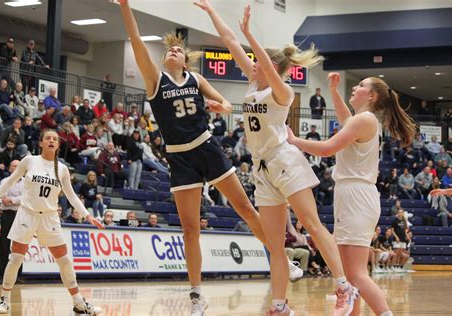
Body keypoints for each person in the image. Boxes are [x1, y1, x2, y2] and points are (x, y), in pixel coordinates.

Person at [196, 2, 358, 315]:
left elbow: (267, 65)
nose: (252, 63)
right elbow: (231, 42)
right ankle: (280, 306)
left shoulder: (283, 92)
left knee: (311, 223)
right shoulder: (254, 82)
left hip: (285, 161)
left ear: (271, 65)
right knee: (274, 243)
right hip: (262, 169)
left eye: (258, 60)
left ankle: (343, 286)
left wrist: (250, 34)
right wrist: (211, 12)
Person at [119, 2, 268, 315]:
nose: (173, 51)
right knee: (190, 230)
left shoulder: (196, 80)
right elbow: (134, 39)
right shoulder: (155, 80)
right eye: (169, 49)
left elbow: (227, 103)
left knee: (244, 207)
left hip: (206, 147)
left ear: (185, 60)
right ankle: (197, 297)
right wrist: (125, 6)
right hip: (179, 158)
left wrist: (221, 107)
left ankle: (280, 257)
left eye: (178, 50)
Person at [288, 68, 415, 313]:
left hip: (357, 196)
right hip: (353, 195)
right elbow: (346, 120)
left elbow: (327, 149)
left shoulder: (365, 120)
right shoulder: (362, 121)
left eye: (361, 85)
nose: (355, 88)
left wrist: (295, 141)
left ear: (372, 96)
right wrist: (334, 91)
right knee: (349, 274)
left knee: (356, 273)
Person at [0, 129, 102, 315]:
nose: (51, 141)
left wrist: (88, 216)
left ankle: (78, 302)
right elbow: (9, 181)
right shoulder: (29, 161)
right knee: (16, 257)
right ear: (41, 143)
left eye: (54, 139)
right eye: (47, 138)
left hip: (49, 217)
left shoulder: (63, 169)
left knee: (64, 260)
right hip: (27, 214)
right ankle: (4, 299)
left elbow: (71, 196)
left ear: (58, 145)